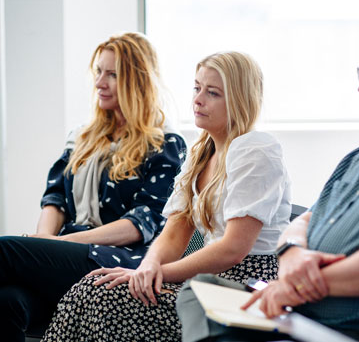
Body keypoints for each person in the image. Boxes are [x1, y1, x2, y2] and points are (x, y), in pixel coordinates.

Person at [177, 16, 359, 342]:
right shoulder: (358, 158)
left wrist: (299, 284)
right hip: (296, 314)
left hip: (343, 328)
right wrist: (294, 251)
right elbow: (304, 221)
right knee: (200, 292)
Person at [41, 51, 292, 342]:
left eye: (212, 93)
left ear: (240, 100)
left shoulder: (256, 149)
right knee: (92, 288)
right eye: (197, 88)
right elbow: (174, 233)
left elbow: (233, 249)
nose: (197, 100)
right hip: (203, 283)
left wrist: (160, 273)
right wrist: (146, 267)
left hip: (243, 289)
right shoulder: (201, 152)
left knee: (104, 299)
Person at [0, 32, 187, 342]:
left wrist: (64, 243)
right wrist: (46, 240)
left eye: (112, 74)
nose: (100, 82)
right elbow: (56, 198)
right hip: (69, 253)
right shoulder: (83, 136)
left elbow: (144, 222)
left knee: (5, 249)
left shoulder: (164, 143)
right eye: (98, 71)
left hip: (117, 259)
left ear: (137, 81)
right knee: (7, 301)